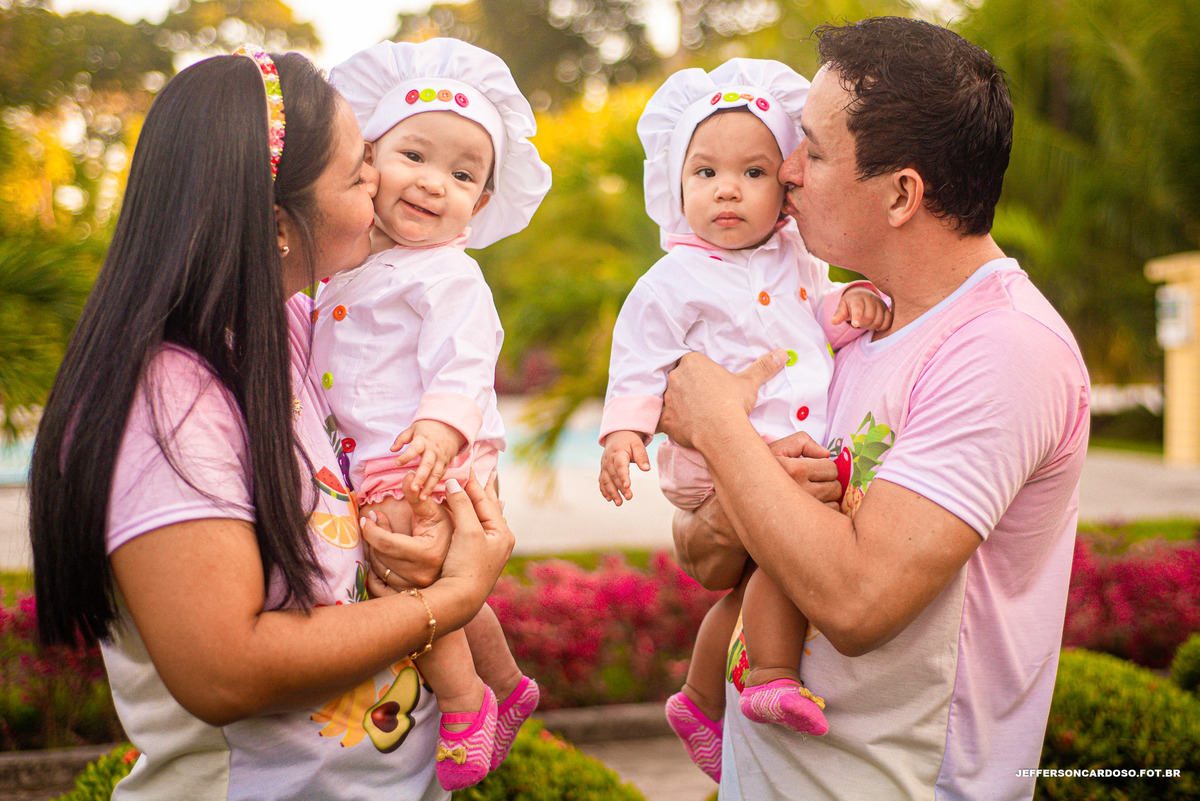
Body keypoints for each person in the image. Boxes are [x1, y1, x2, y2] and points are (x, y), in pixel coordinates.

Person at [28, 46, 513, 801]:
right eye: (362, 170)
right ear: (278, 221)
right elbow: (227, 670)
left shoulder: (286, 335)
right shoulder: (167, 399)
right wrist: (449, 601)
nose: (387, 182)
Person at [660, 17, 1091, 801]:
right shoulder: (846, 323)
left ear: (901, 194)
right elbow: (707, 559)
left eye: (814, 152)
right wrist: (737, 482)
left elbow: (859, 602)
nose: (784, 170)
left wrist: (720, 425)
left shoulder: (1003, 350)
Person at [596, 59, 891, 781]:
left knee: (755, 574)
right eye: (705, 173)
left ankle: (700, 698)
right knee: (792, 556)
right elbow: (638, 359)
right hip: (720, 462)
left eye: (754, 173)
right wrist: (624, 430)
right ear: (676, 186)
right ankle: (769, 678)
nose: (727, 189)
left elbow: (813, 321)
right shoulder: (671, 279)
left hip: (783, 448)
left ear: (785, 189)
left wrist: (848, 310)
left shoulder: (798, 258)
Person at [317, 38, 551, 790]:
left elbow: (465, 361)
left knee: (410, 588)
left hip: (423, 454)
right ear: (369, 158)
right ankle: (510, 683)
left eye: (461, 175)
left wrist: (442, 428)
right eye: (413, 156)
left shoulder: (448, 272)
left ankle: (465, 705)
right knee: (442, 577)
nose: (432, 184)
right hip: (379, 454)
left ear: (480, 205)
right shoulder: (346, 264)